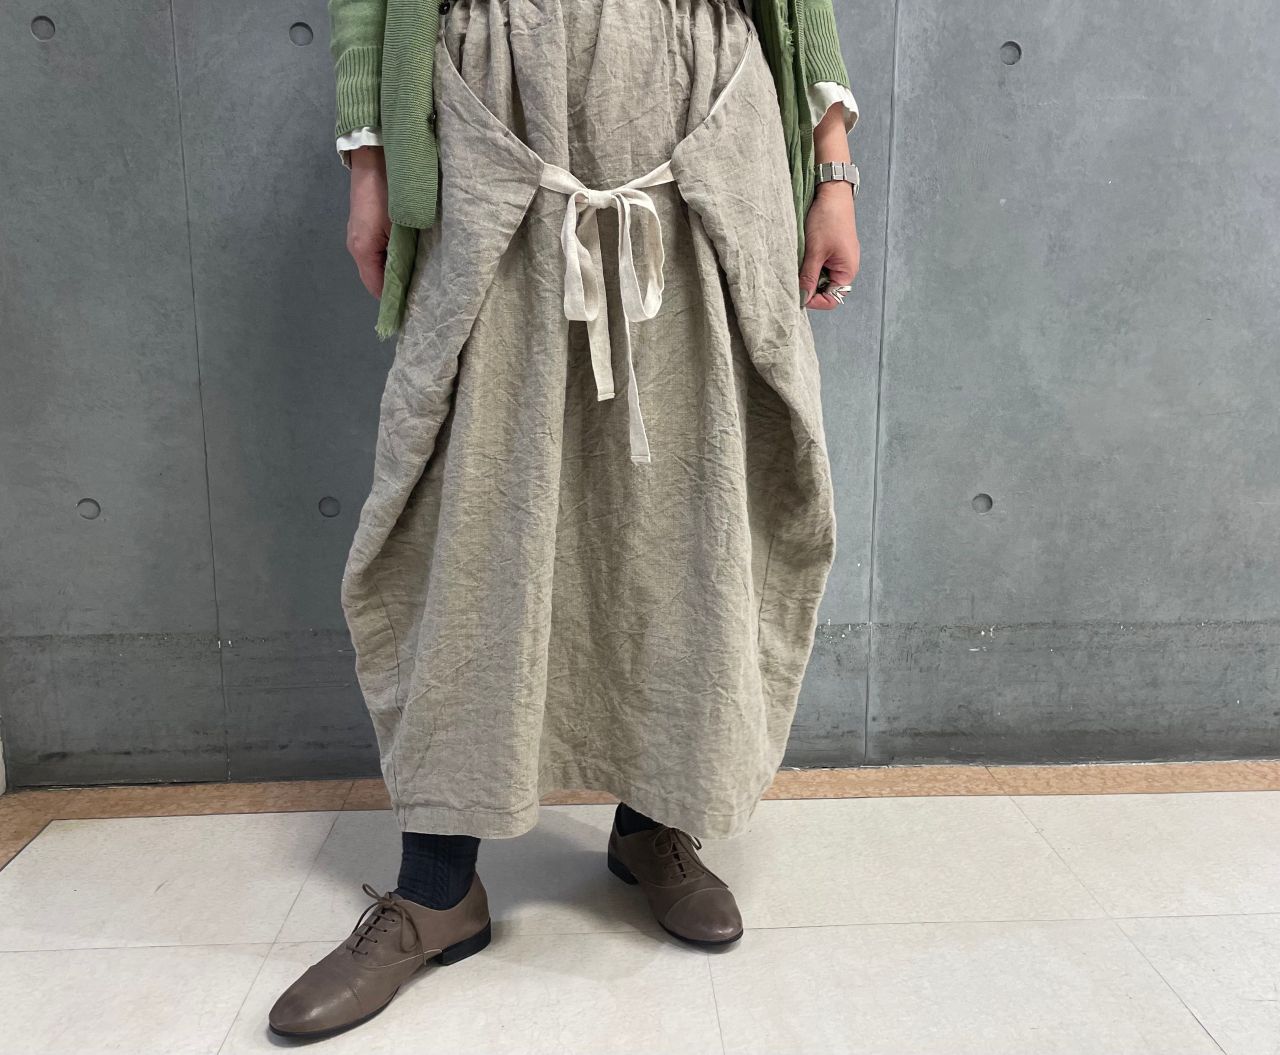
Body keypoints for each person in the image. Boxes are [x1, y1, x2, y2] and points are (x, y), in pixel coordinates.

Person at [269, 0, 860, 1038]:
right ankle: (437, 884)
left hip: (703, 104)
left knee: (688, 497)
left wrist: (832, 166)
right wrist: (369, 162)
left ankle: (654, 817)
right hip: (497, 100)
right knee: (470, 506)